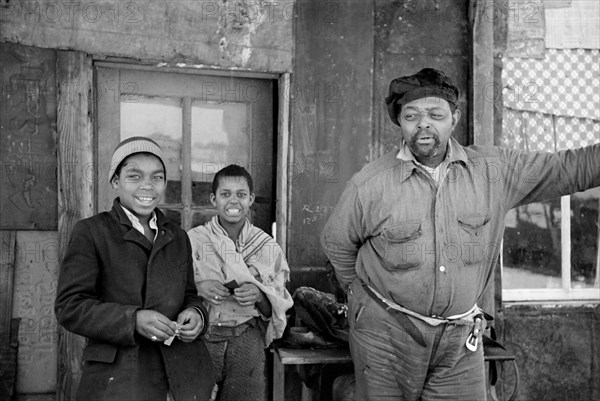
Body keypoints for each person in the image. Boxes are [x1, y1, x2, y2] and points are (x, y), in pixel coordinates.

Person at [321, 68, 600, 401]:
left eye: (435, 114)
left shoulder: (495, 171)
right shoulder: (370, 184)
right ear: (400, 122)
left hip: (459, 341)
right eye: (411, 116)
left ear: (454, 117)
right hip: (386, 340)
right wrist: (364, 302)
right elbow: (336, 243)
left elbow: (569, 169)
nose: (423, 124)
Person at [55, 136, 215, 401]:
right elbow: (70, 306)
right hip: (119, 377)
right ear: (115, 181)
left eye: (157, 177)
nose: (147, 186)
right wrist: (133, 320)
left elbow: (190, 294)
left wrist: (195, 314)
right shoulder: (92, 232)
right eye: (134, 176)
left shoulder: (177, 236)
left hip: (180, 373)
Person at [188, 165, 293, 401]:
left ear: (251, 199)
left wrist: (259, 296)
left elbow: (273, 311)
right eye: (225, 194)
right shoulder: (194, 241)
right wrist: (199, 288)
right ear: (213, 199)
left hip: (246, 340)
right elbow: (171, 292)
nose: (233, 201)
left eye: (241, 194)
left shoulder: (267, 247)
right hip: (202, 339)